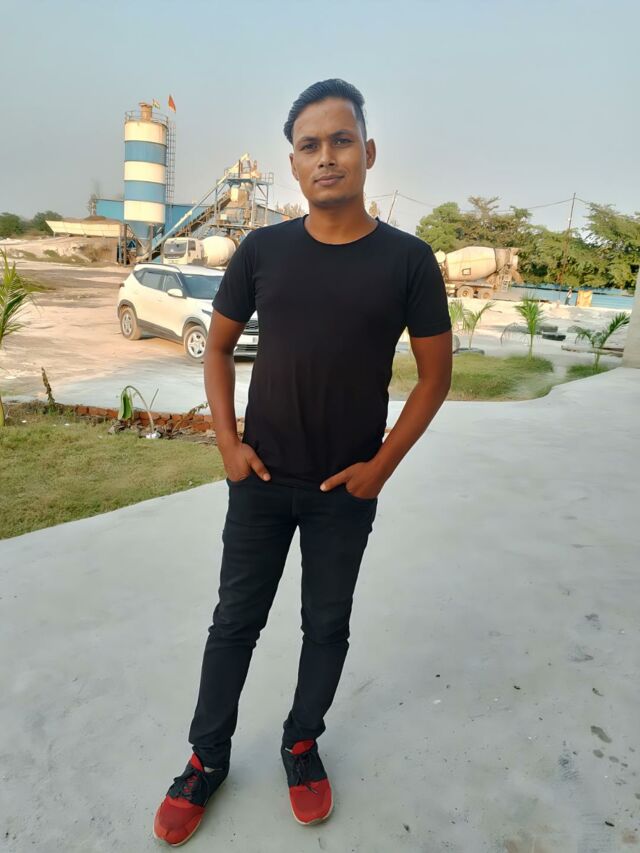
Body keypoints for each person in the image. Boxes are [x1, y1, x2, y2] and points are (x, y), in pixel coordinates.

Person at [153, 78, 453, 847]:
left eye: (341, 140)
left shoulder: (409, 261)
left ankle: (301, 742)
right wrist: (228, 443)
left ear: (368, 152)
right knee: (234, 622)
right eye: (310, 145)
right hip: (259, 481)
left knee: (326, 624)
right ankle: (206, 758)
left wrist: (379, 468)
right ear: (292, 163)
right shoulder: (263, 250)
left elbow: (435, 376)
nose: (327, 157)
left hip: (344, 490)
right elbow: (217, 348)